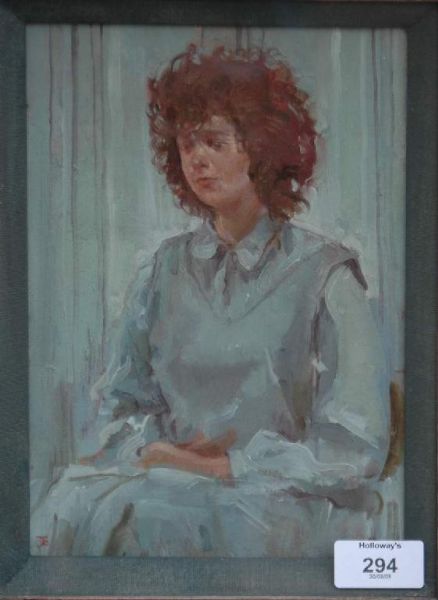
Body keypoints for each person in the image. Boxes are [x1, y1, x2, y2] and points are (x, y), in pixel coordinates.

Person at [31, 45, 390, 557]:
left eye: (215, 142)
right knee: (66, 504)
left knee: (149, 519)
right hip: (173, 484)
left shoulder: (325, 273)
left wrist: (227, 466)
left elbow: (356, 444)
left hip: (287, 501)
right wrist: (159, 449)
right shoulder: (164, 269)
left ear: (261, 149)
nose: (197, 159)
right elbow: (120, 401)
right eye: (186, 144)